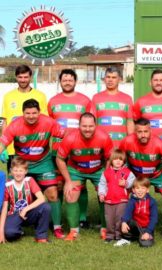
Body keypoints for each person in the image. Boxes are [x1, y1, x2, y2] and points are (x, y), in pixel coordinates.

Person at [0, 99, 64, 239]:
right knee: (13, 196)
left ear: (39, 112)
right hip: (22, 164)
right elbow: (2, 143)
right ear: (22, 113)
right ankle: (13, 224)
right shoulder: (15, 125)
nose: (31, 116)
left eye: (34, 113)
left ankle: (57, 227)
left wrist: (58, 153)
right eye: (27, 113)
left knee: (52, 193)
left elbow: (63, 135)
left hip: (43, 162)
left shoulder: (49, 122)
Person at [119, 118, 162, 241]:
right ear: (135, 132)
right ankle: (124, 224)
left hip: (156, 175)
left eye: (145, 131)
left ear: (150, 130)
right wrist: (122, 177)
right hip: (136, 176)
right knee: (121, 192)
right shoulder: (127, 141)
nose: (143, 135)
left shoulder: (159, 143)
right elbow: (119, 159)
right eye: (139, 132)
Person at [56, 112, 113, 241]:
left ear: (95, 125)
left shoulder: (104, 137)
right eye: (84, 126)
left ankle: (105, 228)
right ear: (79, 126)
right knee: (70, 194)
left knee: (107, 194)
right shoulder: (70, 138)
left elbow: (109, 158)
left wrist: (106, 177)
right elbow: (60, 159)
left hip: (98, 170)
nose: (87, 129)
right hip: (76, 170)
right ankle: (74, 231)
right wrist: (68, 181)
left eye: (90, 126)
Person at [48, 69, 93, 233]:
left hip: (79, 150)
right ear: (60, 81)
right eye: (64, 79)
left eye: (70, 79)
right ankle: (57, 220)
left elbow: (90, 124)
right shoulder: (52, 101)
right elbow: (50, 126)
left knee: (80, 184)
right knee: (58, 184)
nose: (67, 82)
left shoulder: (85, 100)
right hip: (58, 150)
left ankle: (82, 218)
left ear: (75, 81)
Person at [1, 65, 48, 171]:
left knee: (35, 183)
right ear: (16, 77)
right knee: (16, 183)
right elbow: (5, 121)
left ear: (30, 77)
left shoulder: (40, 96)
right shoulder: (8, 96)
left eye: (25, 77)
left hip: (35, 148)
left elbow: (45, 121)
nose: (23, 80)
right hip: (13, 149)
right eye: (20, 77)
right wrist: (4, 147)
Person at [0, 157, 51, 243]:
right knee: (9, 234)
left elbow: (42, 198)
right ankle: (19, 231)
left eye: (21, 170)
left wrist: (26, 209)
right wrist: (1, 232)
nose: (18, 173)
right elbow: (4, 209)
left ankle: (41, 236)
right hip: (14, 215)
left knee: (46, 207)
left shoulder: (29, 181)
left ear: (26, 171)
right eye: (15, 170)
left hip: (29, 213)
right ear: (11, 171)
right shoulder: (8, 185)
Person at [98, 149, 136, 243]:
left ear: (123, 161)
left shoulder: (127, 172)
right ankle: (110, 235)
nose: (118, 161)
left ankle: (119, 235)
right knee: (109, 219)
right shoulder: (106, 173)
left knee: (120, 218)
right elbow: (102, 184)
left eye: (120, 159)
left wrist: (126, 183)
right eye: (116, 159)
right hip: (109, 200)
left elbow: (133, 181)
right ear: (111, 160)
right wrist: (102, 194)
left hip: (122, 200)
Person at [92, 67, 134, 148]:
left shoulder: (127, 98)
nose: (110, 80)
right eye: (108, 77)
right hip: (101, 145)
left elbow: (129, 122)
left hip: (121, 146)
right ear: (104, 79)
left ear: (119, 79)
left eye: (114, 77)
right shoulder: (96, 98)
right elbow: (93, 122)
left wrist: (130, 143)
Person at [115, 176, 158, 247]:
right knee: (124, 222)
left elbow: (154, 219)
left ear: (147, 190)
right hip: (135, 225)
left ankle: (141, 237)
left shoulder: (152, 202)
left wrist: (148, 232)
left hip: (146, 227)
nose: (140, 191)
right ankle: (126, 239)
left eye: (143, 188)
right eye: (137, 188)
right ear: (133, 190)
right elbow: (127, 213)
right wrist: (124, 222)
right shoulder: (132, 201)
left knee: (146, 244)